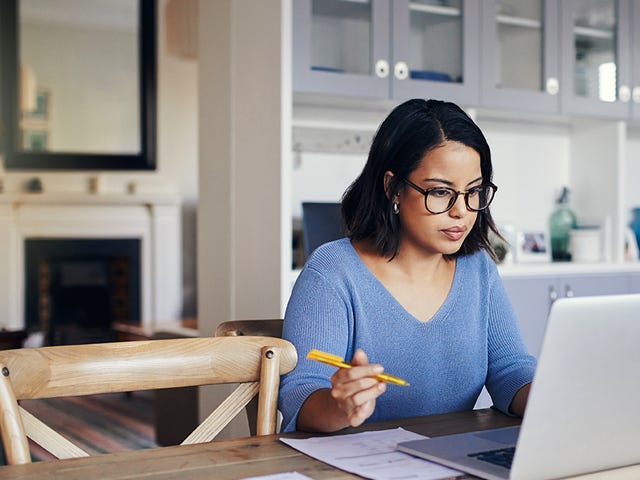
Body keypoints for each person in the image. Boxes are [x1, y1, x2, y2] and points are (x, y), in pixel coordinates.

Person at [279, 99, 536, 433]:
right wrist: (338, 405)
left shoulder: (478, 269)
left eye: (474, 192)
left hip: (448, 461)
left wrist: (553, 399)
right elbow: (301, 394)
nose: (461, 211)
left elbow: (510, 370)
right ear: (393, 188)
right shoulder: (333, 272)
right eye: (441, 192)